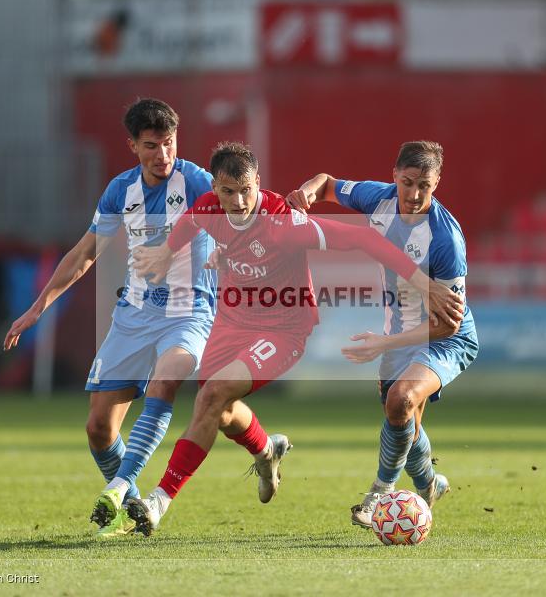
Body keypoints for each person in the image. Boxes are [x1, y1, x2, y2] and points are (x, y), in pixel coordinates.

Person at [117, 142, 464, 536]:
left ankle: (159, 500)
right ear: (215, 189)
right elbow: (192, 222)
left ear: (258, 183)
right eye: (228, 192)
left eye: (246, 190)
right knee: (219, 408)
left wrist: (424, 286)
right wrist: (165, 252)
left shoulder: (283, 223)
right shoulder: (210, 208)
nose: (239, 200)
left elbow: (365, 241)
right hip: (233, 323)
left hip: (286, 329)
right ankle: (267, 449)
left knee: (214, 395)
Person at [2, 98, 216, 536]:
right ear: (132, 146)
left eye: (170, 143)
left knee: (165, 381)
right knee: (99, 427)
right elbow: (85, 253)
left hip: (188, 310)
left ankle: (119, 488)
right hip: (134, 313)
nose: (164, 155)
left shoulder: (197, 182)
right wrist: (37, 307)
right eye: (152, 145)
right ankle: (135, 507)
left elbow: (238, 221)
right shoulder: (121, 191)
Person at [286, 140, 478, 528]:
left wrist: (382, 343)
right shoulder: (378, 199)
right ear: (394, 176)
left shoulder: (446, 241)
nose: (415, 194)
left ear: (438, 182)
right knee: (403, 421)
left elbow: (448, 324)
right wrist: (307, 192)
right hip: (398, 331)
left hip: (444, 338)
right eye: (408, 183)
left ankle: (379, 494)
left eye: (425, 184)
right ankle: (429, 483)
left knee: (401, 398)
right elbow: (326, 183)